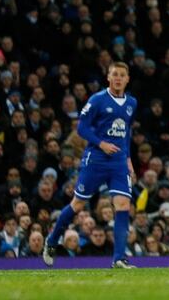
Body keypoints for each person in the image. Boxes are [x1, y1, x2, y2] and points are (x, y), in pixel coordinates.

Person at [44, 62, 137, 269]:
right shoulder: (97, 100)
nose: (118, 78)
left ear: (127, 79)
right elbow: (82, 128)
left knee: (123, 205)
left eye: (122, 75)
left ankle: (119, 259)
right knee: (77, 204)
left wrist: (129, 158)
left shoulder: (132, 103)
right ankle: (51, 241)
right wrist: (101, 143)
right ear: (108, 77)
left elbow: (127, 132)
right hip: (96, 159)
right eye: (115, 74)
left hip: (119, 161)